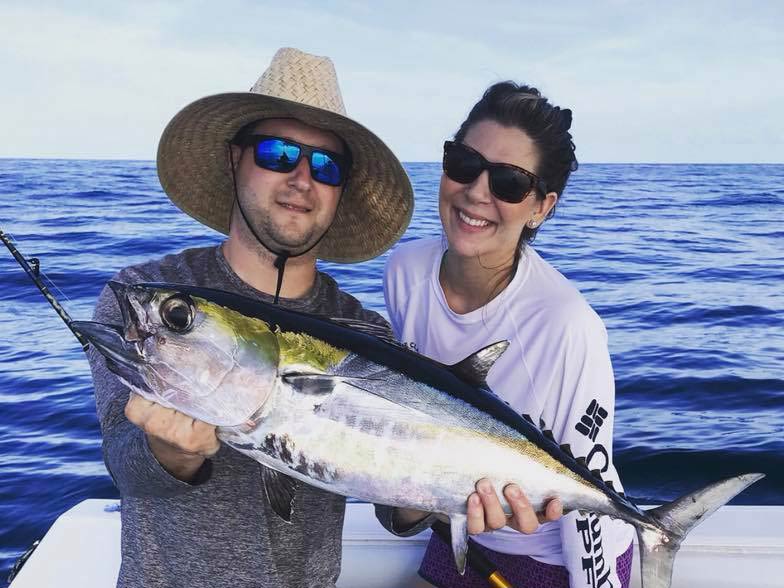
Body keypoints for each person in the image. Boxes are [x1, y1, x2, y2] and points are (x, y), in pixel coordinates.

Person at [87, 49, 554, 588]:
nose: (302, 179)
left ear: (341, 191)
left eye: (326, 166)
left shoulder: (365, 331)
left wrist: (447, 491)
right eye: (277, 153)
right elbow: (124, 464)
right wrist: (169, 453)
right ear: (234, 159)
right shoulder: (143, 298)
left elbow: (392, 512)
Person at [380, 82, 635, 588]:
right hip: (455, 528)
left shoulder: (566, 326)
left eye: (510, 183)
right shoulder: (405, 270)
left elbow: (590, 503)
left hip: (555, 560)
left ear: (541, 206)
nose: (477, 191)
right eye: (465, 163)